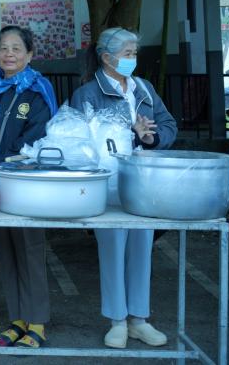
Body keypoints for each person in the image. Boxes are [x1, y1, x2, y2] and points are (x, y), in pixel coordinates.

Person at [70, 27, 177, 349]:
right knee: (113, 251)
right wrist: (129, 133)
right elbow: (77, 142)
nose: (133, 59)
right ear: (106, 57)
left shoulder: (143, 88)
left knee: (142, 251)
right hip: (109, 185)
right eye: (127, 54)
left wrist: (151, 138)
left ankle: (139, 320)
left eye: (134, 53)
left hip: (143, 184)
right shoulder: (88, 94)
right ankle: (117, 320)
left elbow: (168, 124)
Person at [0, 25, 57, 350]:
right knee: (4, 250)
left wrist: (1, 165)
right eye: (4, 47)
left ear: (29, 54)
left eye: (17, 48)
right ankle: (17, 320)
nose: (9, 54)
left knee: (30, 250)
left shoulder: (38, 90)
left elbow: (38, 134)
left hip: (25, 183)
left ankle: (37, 322)